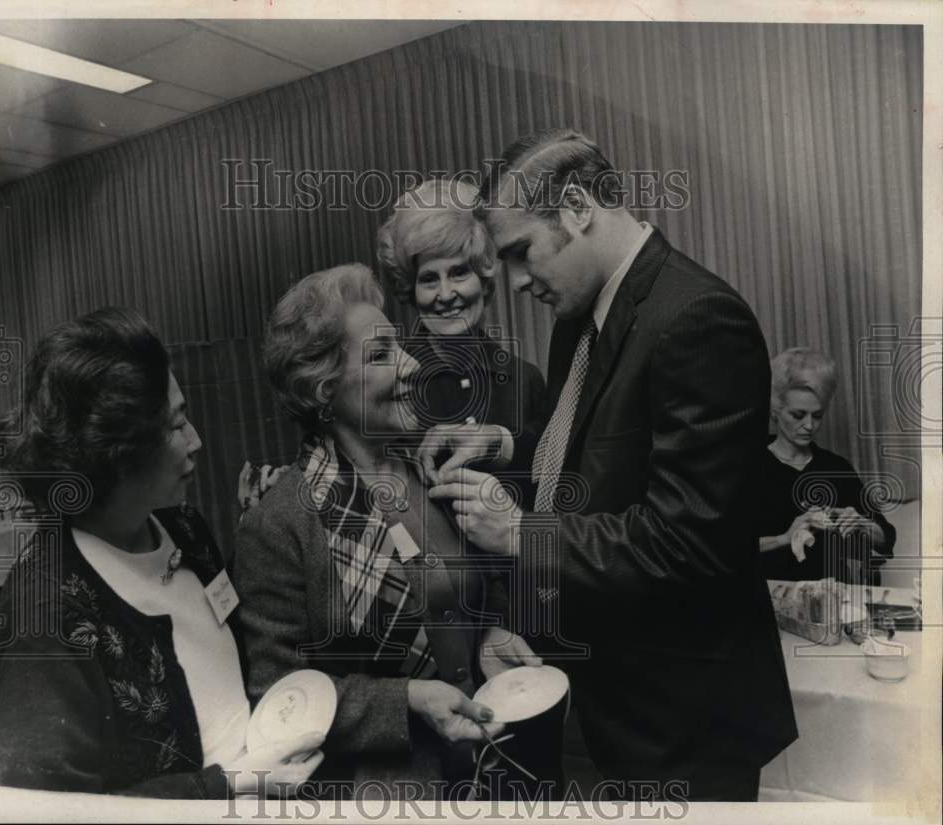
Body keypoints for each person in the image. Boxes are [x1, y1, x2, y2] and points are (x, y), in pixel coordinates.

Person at [419, 128, 798, 801]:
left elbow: (686, 542)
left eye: (519, 253)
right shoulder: (582, 316)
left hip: (683, 723)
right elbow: (584, 448)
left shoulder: (698, 319)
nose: (511, 281)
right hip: (608, 705)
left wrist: (519, 533)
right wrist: (507, 443)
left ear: (576, 208)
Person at [0, 308, 323, 797]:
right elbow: (55, 813)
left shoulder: (183, 528)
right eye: (176, 425)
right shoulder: (41, 617)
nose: (196, 441)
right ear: (117, 452)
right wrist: (232, 784)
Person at [232, 264, 540, 800]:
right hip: (390, 791)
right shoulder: (280, 521)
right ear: (324, 387)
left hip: (493, 764)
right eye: (381, 356)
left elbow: (473, 588)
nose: (410, 365)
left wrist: (488, 634)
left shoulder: (430, 467)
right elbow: (276, 693)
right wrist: (407, 699)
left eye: (399, 347)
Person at [377, 178, 546, 441]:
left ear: (484, 281)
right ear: (410, 289)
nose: (445, 295)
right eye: (429, 278)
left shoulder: (525, 382)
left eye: (459, 273)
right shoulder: (394, 385)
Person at [758, 347, 896, 584]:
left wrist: (863, 524)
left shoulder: (835, 467)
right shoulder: (749, 465)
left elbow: (886, 539)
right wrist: (784, 538)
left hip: (833, 598)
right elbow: (725, 547)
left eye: (818, 415)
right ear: (775, 410)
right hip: (767, 597)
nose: (809, 425)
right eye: (798, 415)